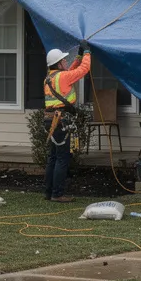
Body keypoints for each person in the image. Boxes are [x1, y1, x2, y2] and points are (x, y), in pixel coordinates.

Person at [43, 44, 92, 202]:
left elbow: (69, 72)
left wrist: (77, 57)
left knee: (53, 157)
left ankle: (49, 192)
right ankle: (57, 194)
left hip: (50, 120)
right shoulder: (62, 77)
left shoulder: (50, 78)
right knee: (62, 158)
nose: (66, 62)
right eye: (64, 60)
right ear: (58, 64)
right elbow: (83, 70)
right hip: (61, 120)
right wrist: (86, 52)